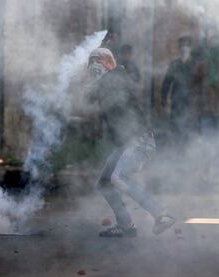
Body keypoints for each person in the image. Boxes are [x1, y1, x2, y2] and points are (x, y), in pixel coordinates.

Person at [87, 48, 175, 238]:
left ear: (106, 63)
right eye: (92, 64)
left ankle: (161, 214)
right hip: (127, 144)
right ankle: (126, 225)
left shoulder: (116, 77)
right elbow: (93, 96)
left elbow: (109, 84)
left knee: (119, 178)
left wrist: (94, 86)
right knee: (104, 183)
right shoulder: (107, 82)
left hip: (139, 141)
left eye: (97, 63)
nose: (94, 69)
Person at [160, 36, 199, 144]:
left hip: (191, 102)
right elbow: (166, 82)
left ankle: (188, 153)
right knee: (176, 128)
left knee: (190, 129)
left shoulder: (195, 64)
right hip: (176, 102)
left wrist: (199, 101)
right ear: (179, 48)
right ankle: (176, 152)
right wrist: (164, 99)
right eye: (182, 46)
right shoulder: (174, 64)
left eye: (186, 46)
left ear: (190, 48)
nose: (184, 48)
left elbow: (200, 84)